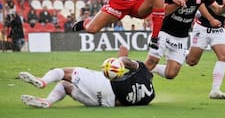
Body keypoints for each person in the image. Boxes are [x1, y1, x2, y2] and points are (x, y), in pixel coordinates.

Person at [144, 0, 225, 80]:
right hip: (165, 32)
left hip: (181, 37)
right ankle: (132, 79)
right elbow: (164, 12)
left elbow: (217, 10)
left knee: (171, 74)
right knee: (152, 60)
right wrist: (181, 1)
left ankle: (141, 67)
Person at [19, 46, 155, 108]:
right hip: (104, 103)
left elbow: (126, 62)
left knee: (64, 73)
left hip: (106, 85)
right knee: (65, 86)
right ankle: (48, 101)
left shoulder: (142, 71)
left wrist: (119, 59)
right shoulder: (149, 97)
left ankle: (42, 81)